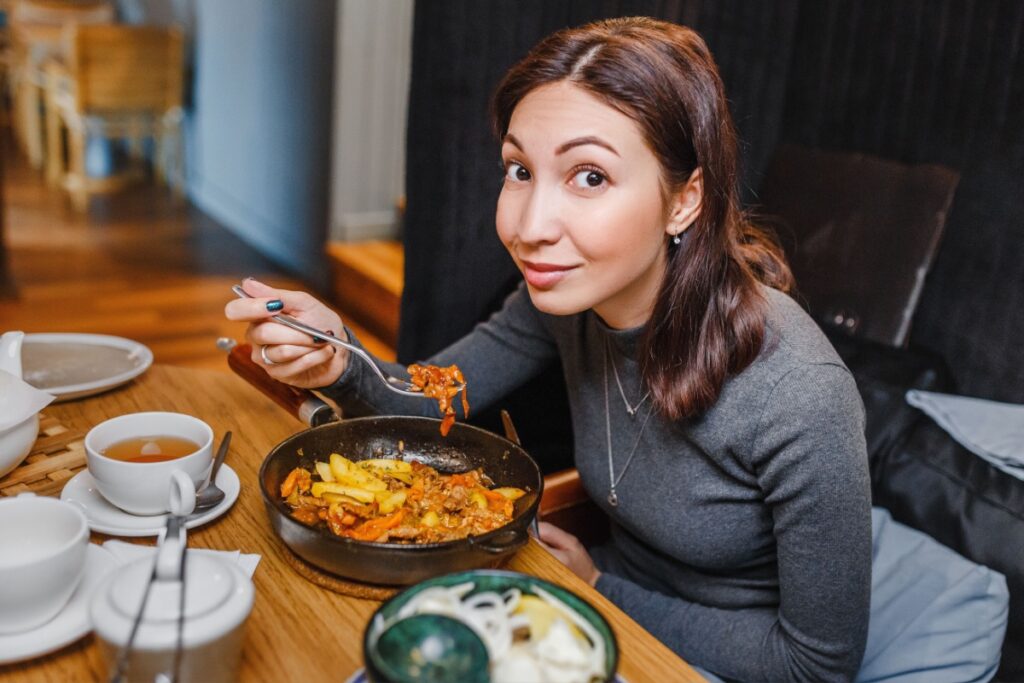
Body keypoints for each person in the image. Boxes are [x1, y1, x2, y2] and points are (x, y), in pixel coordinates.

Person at [226, 17, 871, 681]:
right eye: (520, 170)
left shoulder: (800, 389)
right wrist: (339, 358)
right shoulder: (568, 304)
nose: (529, 227)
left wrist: (597, 584)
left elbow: (817, 665)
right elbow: (429, 398)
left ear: (685, 201)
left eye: (589, 176)